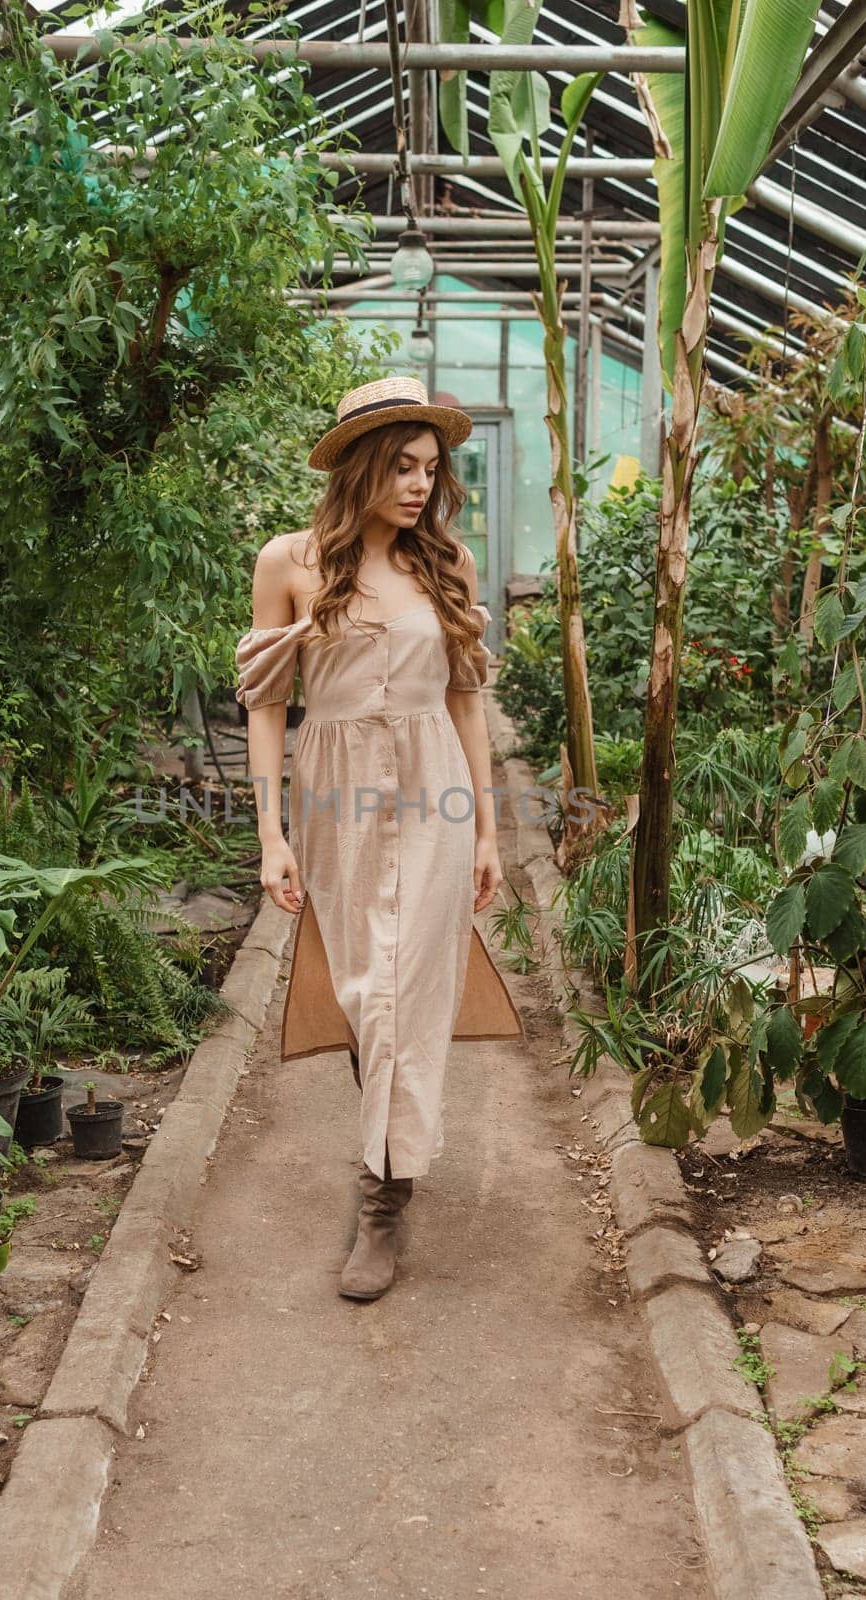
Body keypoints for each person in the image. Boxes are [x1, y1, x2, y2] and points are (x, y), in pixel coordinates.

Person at [234, 375, 523, 1302]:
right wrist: (270, 836)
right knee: (364, 987)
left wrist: (486, 828)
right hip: (334, 796)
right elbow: (267, 710)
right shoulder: (288, 563)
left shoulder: (448, 566)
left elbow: (466, 702)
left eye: (429, 470)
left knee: (407, 981)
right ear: (360, 466)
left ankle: (380, 1205)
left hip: (433, 785)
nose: (417, 485)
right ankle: (390, 1143)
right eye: (400, 466)